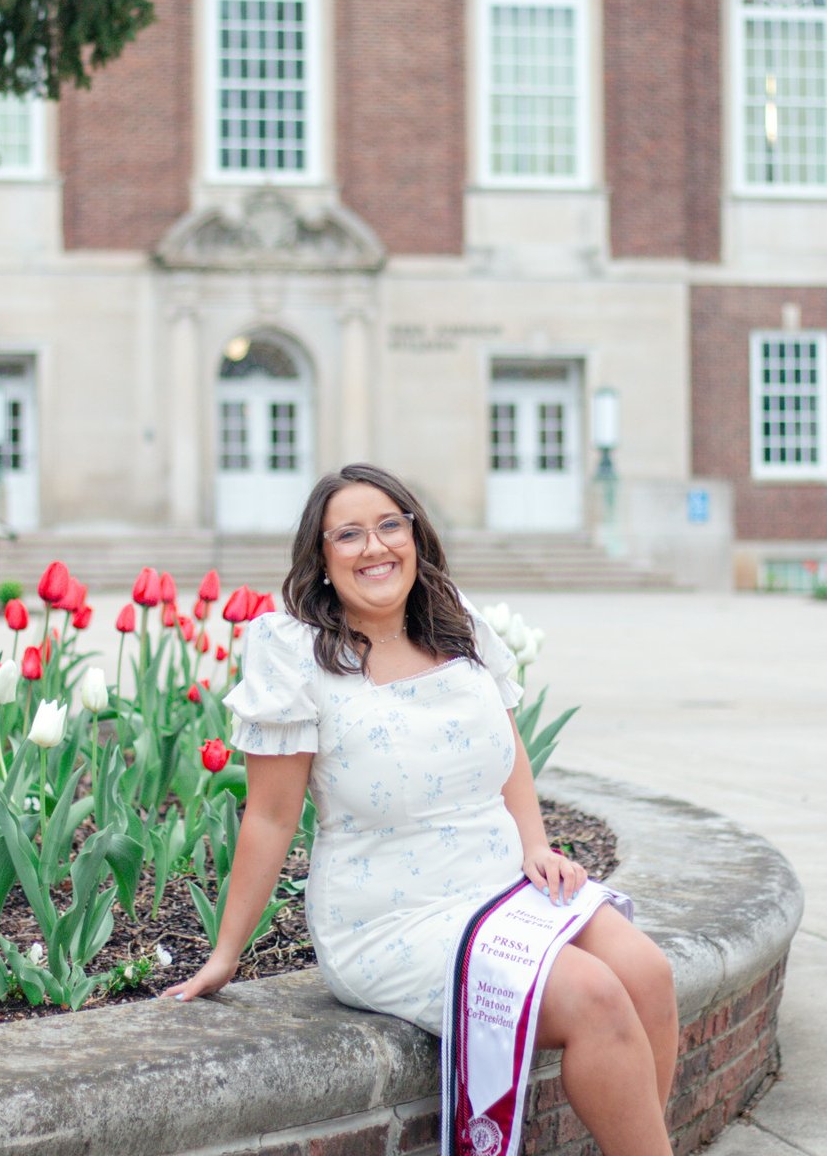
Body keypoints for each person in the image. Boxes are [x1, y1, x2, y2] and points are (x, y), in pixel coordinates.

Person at [163, 463, 678, 1155]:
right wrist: (226, 954)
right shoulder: (296, 656)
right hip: (390, 918)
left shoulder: (454, 623)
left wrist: (535, 844)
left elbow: (508, 745)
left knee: (648, 973)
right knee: (594, 996)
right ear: (320, 558)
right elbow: (270, 817)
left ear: (414, 533)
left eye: (388, 525)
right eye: (348, 534)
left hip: (499, 883)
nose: (374, 547)